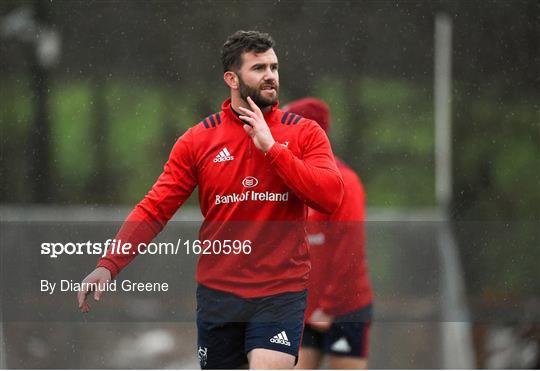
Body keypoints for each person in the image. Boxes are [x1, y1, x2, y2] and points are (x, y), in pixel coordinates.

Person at [77, 31, 344, 369]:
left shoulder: (304, 132)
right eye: (258, 68)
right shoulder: (198, 140)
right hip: (220, 295)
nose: (270, 76)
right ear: (231, 78)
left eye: (274, 67)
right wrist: (109, 264)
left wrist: (272, 149)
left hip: (280, 292)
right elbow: (155, 207)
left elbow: (330, 197)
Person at [283, 98, 373, 369]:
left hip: (343, 309)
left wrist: (329, 305)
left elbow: (350, 249)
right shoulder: (292, 181)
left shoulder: (344, 182)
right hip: (304, 310)